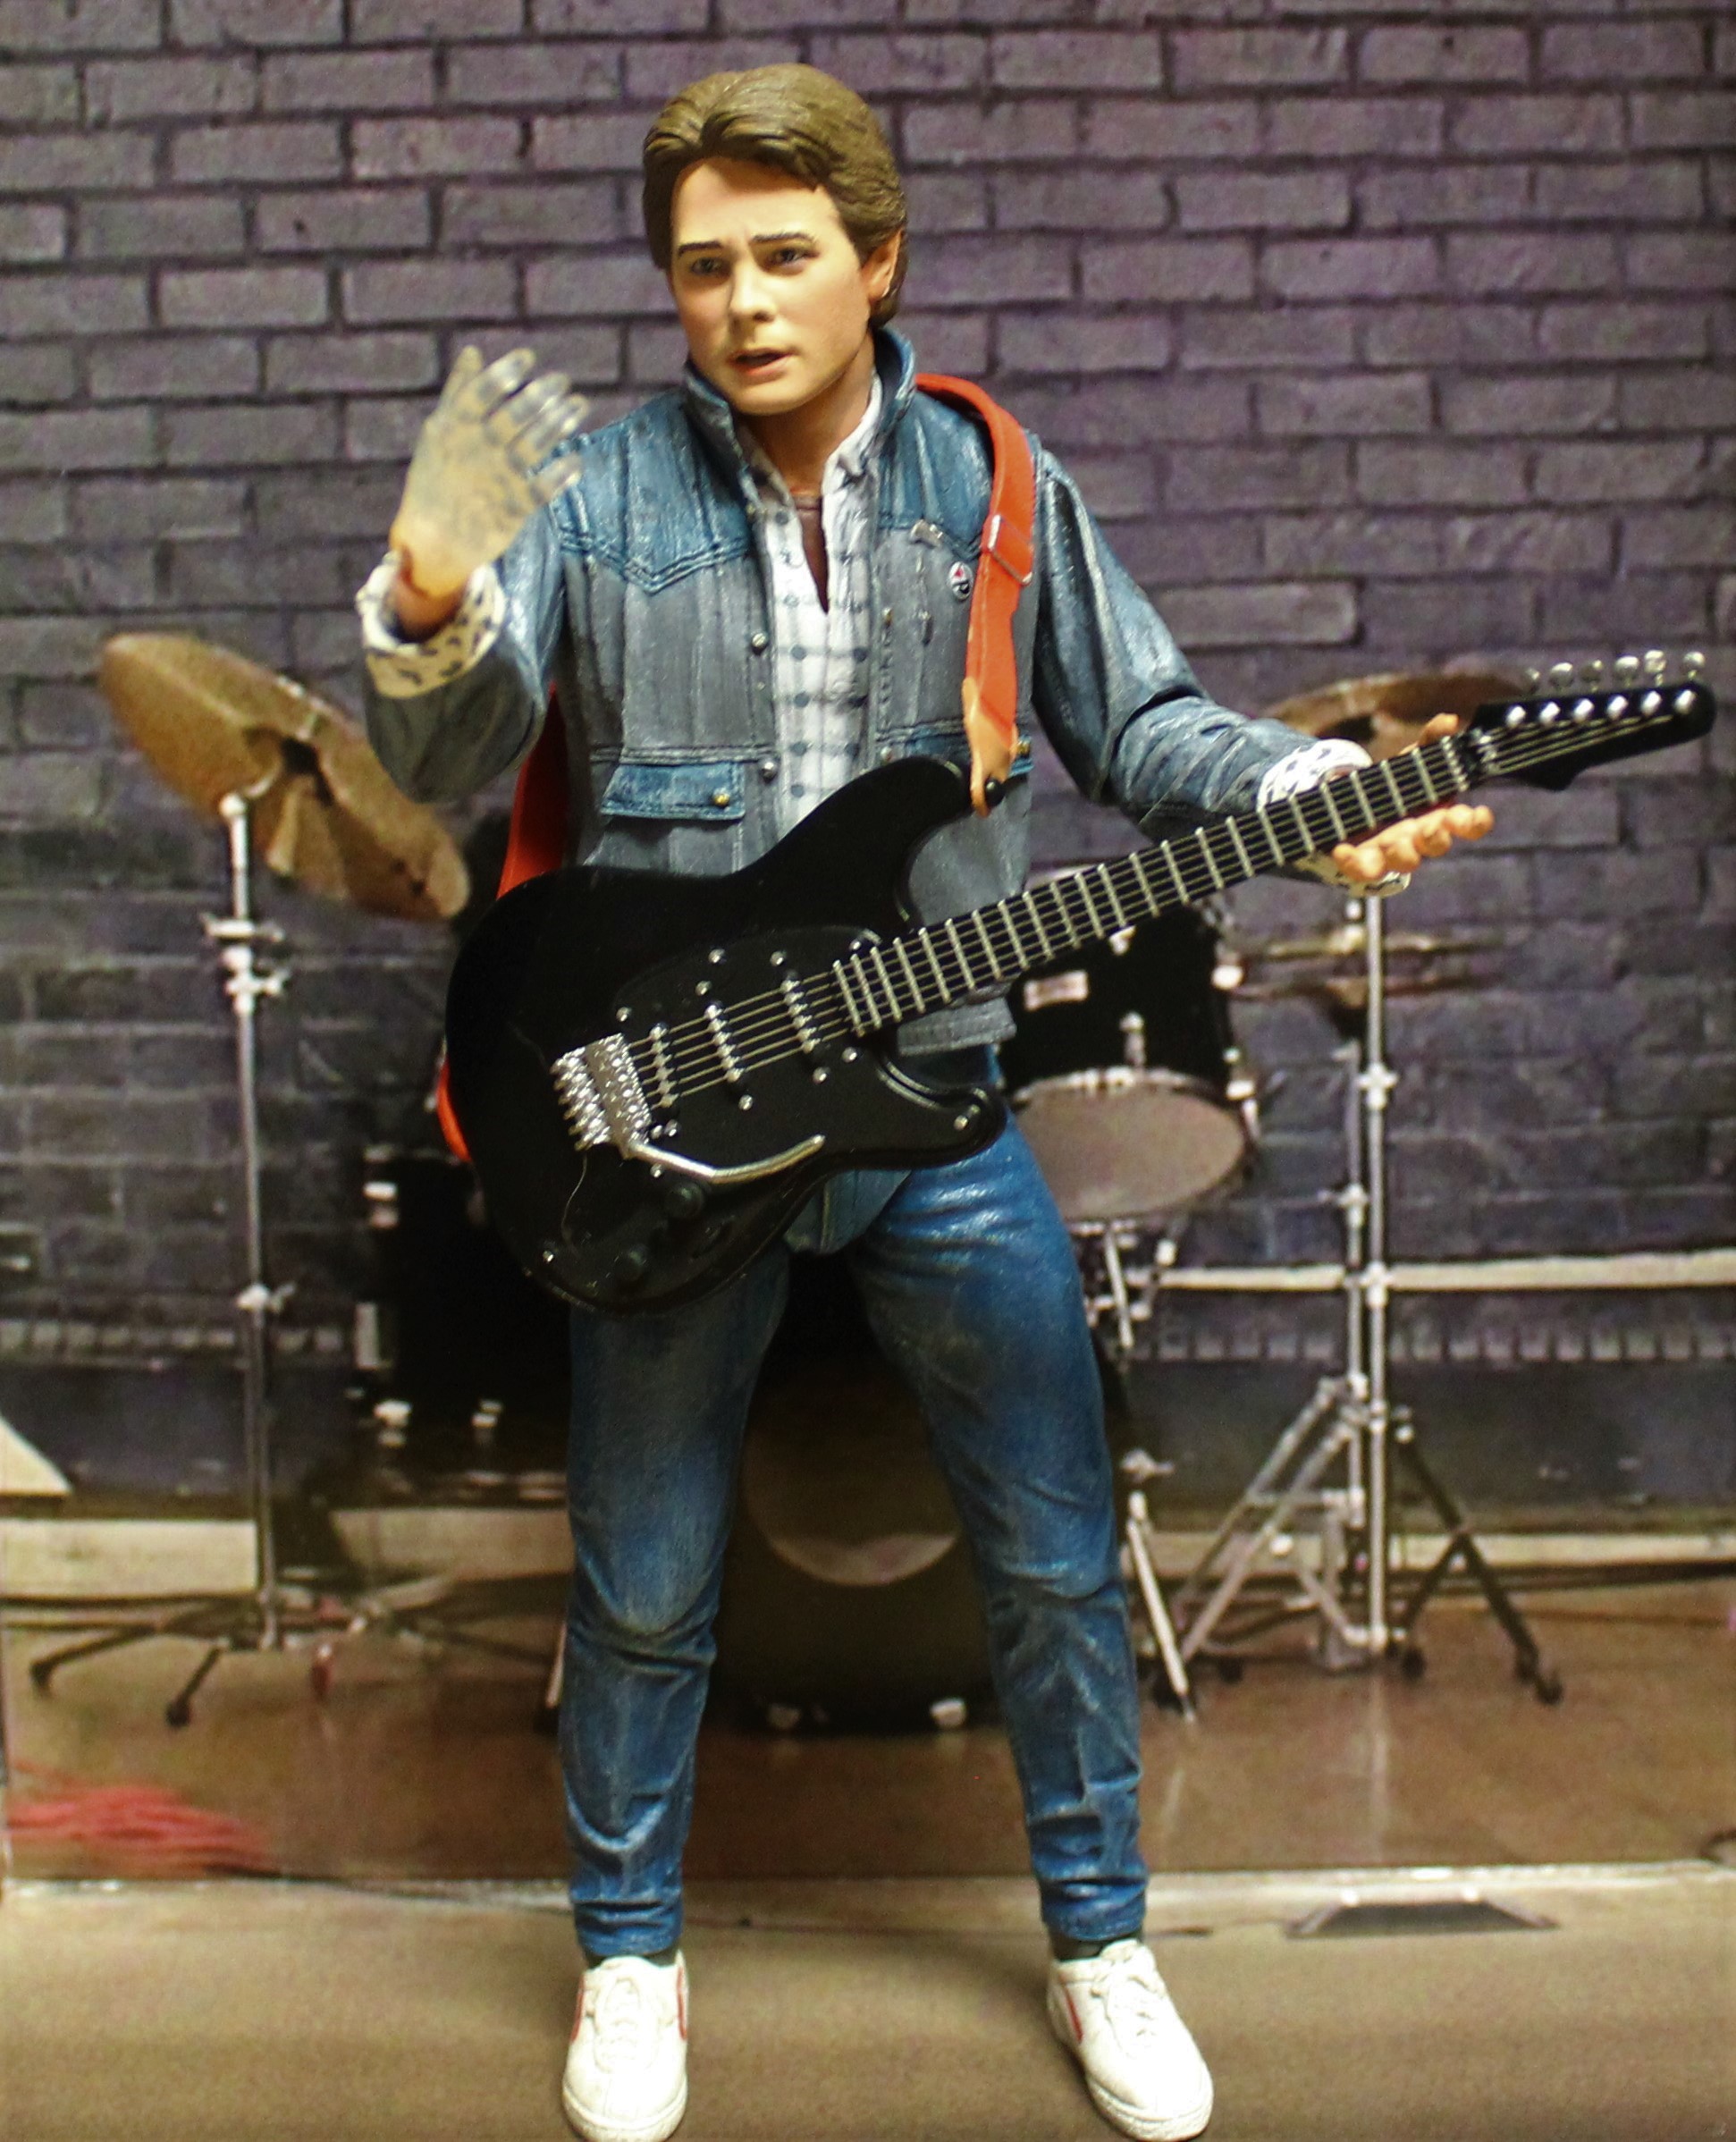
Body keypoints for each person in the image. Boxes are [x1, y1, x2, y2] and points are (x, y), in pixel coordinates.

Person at [357, 64, 1490, 2142]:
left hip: (931, 1093)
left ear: (874, 261)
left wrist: (1302, 790)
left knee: (1051, 1550)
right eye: (701, 265)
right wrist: (429, 603)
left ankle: (1100, 1941)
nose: (740, 301)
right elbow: (435, 771)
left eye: (784, 256)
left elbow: (1143, 724)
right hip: (667, 1114)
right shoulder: (598, 497)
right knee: (640, 1578)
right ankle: (628, 1956)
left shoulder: (988, 483)